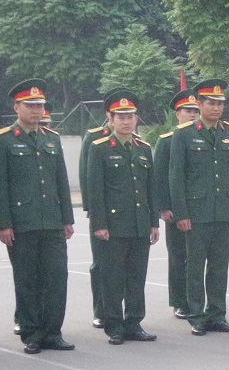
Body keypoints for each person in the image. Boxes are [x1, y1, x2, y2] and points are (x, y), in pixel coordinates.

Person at [0, 79, 76, 354]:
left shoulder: (52, 138)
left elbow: (61, 181)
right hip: (22, 222)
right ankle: (31, 333)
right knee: (27, 279)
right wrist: (4, 223)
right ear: (17, 107)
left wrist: (67, 218)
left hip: (51, 220)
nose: (37, 111)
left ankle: (53, 332)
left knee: (56, 277)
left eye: (40, 106)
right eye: (31, 106)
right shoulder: (2, 140)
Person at [80, 88, 159, 345]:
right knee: (112, 276)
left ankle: (134, 321)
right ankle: (113, 324)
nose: (126, 121)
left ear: (136, 119)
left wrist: (153, 222)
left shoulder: (144, 148)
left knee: (136, 276)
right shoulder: (99, 148)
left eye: (131, 116)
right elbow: (95, 190)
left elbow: (150, 188)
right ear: (110, 119)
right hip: (113, 225)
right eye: (121, 117)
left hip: (139, 223)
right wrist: (99, 224)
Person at [169, 76, 229, 336]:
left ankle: (217, 313)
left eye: (220, 103)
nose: (216, 108)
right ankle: (197, 314)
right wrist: (182, 212)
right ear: (199, 104)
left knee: (219, 264)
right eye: (210, 103)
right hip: (196, 212)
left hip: (222, 210)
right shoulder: (184, 134)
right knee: (195, 265)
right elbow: (176, 176)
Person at [153, 91, 199, 320]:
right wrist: (164, 207)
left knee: (197, 259)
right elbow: (160, 177)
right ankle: (180, 302)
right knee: (179, 257)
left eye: (195, 111)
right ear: (177, 114)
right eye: (187, 111)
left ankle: (196, 301)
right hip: (176, 210)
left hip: (198, 209)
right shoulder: (167, 141)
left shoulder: (202, 138)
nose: (192, 115)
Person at [79, 110, 112, 328]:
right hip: (103, 213)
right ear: (109, 114)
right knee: (101, 265)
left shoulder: (135, 140)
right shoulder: (94, 137)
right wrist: (93, 211)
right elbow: (86, 175)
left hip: (127, 214)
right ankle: (101, 311)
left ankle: (123, 314)